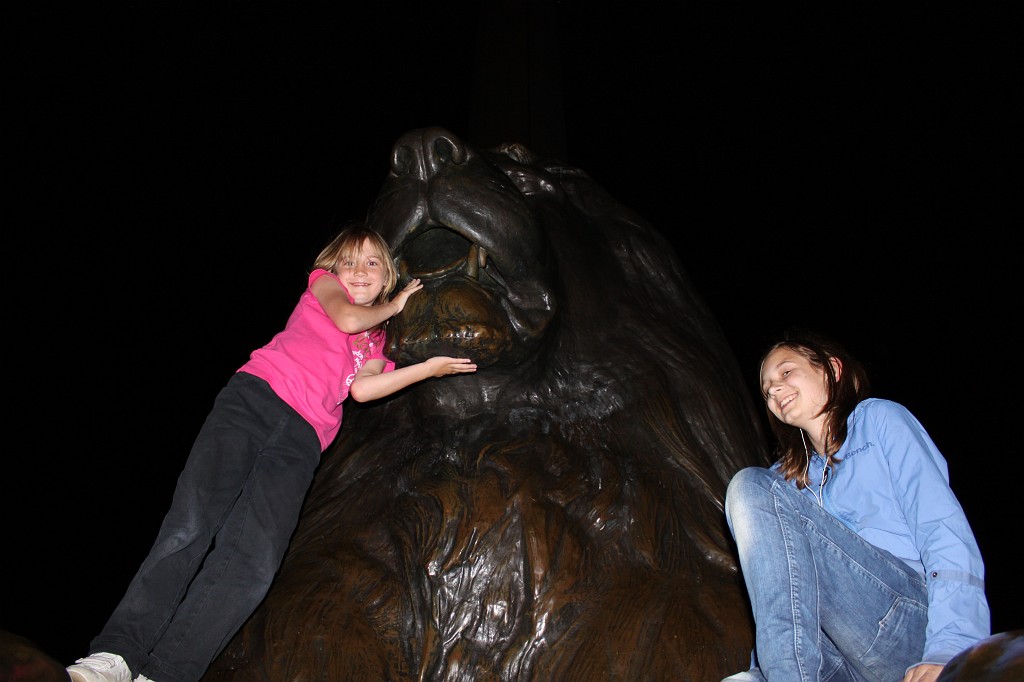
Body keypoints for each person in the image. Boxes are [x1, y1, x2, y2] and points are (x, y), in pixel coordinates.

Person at [67, 223, 477, 682]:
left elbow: (364, 390)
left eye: (372, 264)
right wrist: (396, 305)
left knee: (254, 563)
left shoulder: (377, 342)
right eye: (349, 261)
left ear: (388, 276)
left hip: (301, 440)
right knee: (191, 524)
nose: (358, 271)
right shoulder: (324, 288)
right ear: (333, 268)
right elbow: (345, 318)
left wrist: (428, 369)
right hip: (253, 402)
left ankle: (165, 673)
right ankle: (115, 657)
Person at [722, 329, 989, 682]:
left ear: (831, 369)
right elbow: (779, 593)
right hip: (841, 657)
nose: (773, 389)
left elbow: (942, 528)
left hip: (909, 623)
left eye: (786, 372)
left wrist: (953, 645)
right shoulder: (784, 483)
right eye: (767, 388)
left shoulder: (879, 421)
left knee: (749, 485)